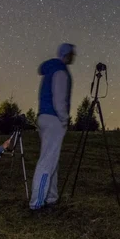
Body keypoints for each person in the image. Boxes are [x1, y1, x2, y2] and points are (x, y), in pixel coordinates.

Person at [29, 43, 76, 211]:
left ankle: (51, 197)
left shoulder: (50, 70)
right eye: (72, 54)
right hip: (54, 119)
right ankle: (37, 202)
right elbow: (59, 99)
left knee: (51, 159)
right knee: (47, 161)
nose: (74, 56)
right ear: (67, 54)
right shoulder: (61, 72)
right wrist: (64, 119)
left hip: (44, 116)